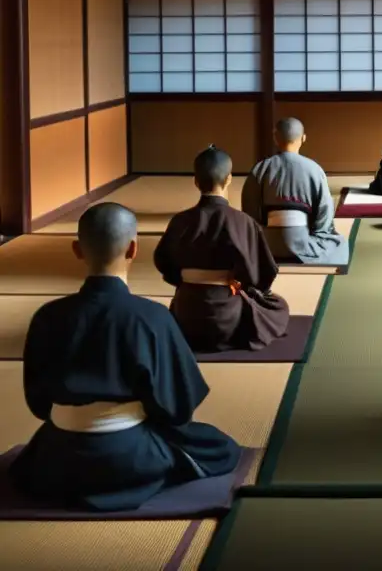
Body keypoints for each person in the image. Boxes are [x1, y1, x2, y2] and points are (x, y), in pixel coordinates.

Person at [9, 203, 241, 512]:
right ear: (133, 249)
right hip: (128, 454)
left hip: (57, 458)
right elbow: (178, 408)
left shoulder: (47, 317)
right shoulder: (152, 317)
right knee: (220, 448)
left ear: (77, 250)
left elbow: (39, 404)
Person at [157, 146, 290, 353]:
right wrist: (244, 285)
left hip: (185, 314)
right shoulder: (242, 221)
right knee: (277, 306)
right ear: (229, 179)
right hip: (227, 314)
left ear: (196, 181)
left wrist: (189, 282)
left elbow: (164, 263)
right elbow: (262, 272)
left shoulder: (180, 221)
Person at [242, 118, 348, 267]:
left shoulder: (260, 168)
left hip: (266, 245)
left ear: (275, 138)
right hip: (302, 241)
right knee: (340, 245)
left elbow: (249, 211)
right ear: (303, 138)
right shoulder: (314, 169)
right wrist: (318, 234)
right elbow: (324, 211)